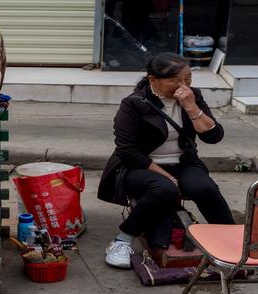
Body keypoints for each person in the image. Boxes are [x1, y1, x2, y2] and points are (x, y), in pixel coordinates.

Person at [97, 52, 235, 269]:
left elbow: (214, 136)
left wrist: (191, 107)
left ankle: (232, 242)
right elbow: (127, 151)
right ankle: (122, 240)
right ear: (153, 80)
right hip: (140, 165)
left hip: (183, 162)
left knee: (204, 187)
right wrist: (167, 176)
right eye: (174, 80)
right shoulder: (134, 104)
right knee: (164, 189)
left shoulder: (192, 96)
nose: (183, 85)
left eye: (187, 79)